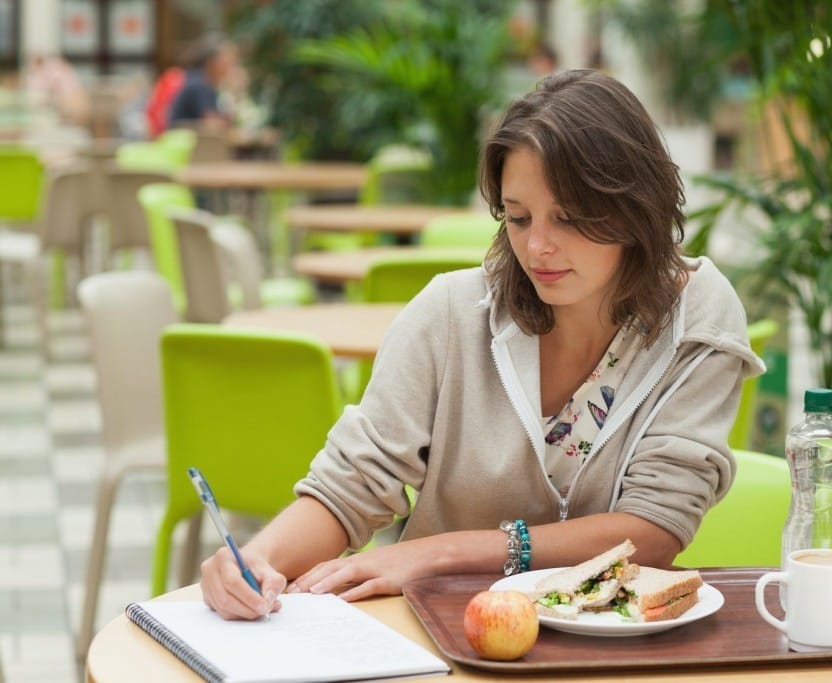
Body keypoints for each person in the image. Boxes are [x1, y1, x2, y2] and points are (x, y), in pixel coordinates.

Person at [199, 70, 765, 620]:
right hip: (432, 634)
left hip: (606, 650)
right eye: (517, 218)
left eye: (568, 219)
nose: (538, 246)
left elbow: (654, 530)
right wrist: (257, 560)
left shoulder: (697, 317)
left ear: (635, 206)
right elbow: (353, 482)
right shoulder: (451, 313)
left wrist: (439, 551)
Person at [166, 33, 237, 130]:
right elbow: (213, 124)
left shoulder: (200, 81)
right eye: (227, 60)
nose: (230, 67)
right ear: (212, 62)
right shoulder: (199, 84)